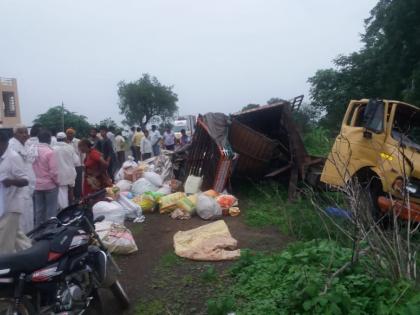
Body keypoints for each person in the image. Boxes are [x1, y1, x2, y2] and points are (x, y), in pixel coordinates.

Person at [0, 131, 32, 254]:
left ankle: (4, 267)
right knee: (18, 239)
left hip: (12, 205)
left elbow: (25, 180)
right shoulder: (2, 156)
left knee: (3, 242)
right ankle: (34, 255)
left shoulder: (13, 157)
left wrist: (11, 182)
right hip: (4, 204)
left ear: (3, 143)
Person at [8, 125, 35, 233]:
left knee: (28, 215)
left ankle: (28, 240)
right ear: (15, 134)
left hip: (28, 188)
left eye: (25, 132)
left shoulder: (27, 145)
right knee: (20, 218)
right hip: (17, 189)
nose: (24, 135)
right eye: (21, 132)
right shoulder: (11, 145)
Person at [32, 130, 59, 227]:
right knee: (51, 211)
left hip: (36, 185)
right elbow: (53, 171)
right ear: (49, 139)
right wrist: (57, 182)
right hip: (50, 185)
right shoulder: (50, 152)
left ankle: (38, 232)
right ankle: (50, 232)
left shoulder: (32, 150)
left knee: (39, 210)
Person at [54, 132, 78, 209]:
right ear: (65, 139)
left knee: (60, 193)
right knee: (70, 190)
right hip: (70, 174)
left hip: (58, 175)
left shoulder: (52, 148)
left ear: (57, 139)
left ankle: (62, 209)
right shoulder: (70, 147)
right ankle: (71, 208)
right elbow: (76, 161)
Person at [65, 128, 83, 201]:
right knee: (70, 183)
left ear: (74, 134)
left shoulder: (78, 141)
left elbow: (82, 153)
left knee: (78, 182)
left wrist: (82, 164)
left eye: (71, 133)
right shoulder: (64, 143)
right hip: (68, 166)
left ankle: (78, 197)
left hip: (78, 165)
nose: (69, 135)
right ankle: (70, 198)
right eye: (68, 133)